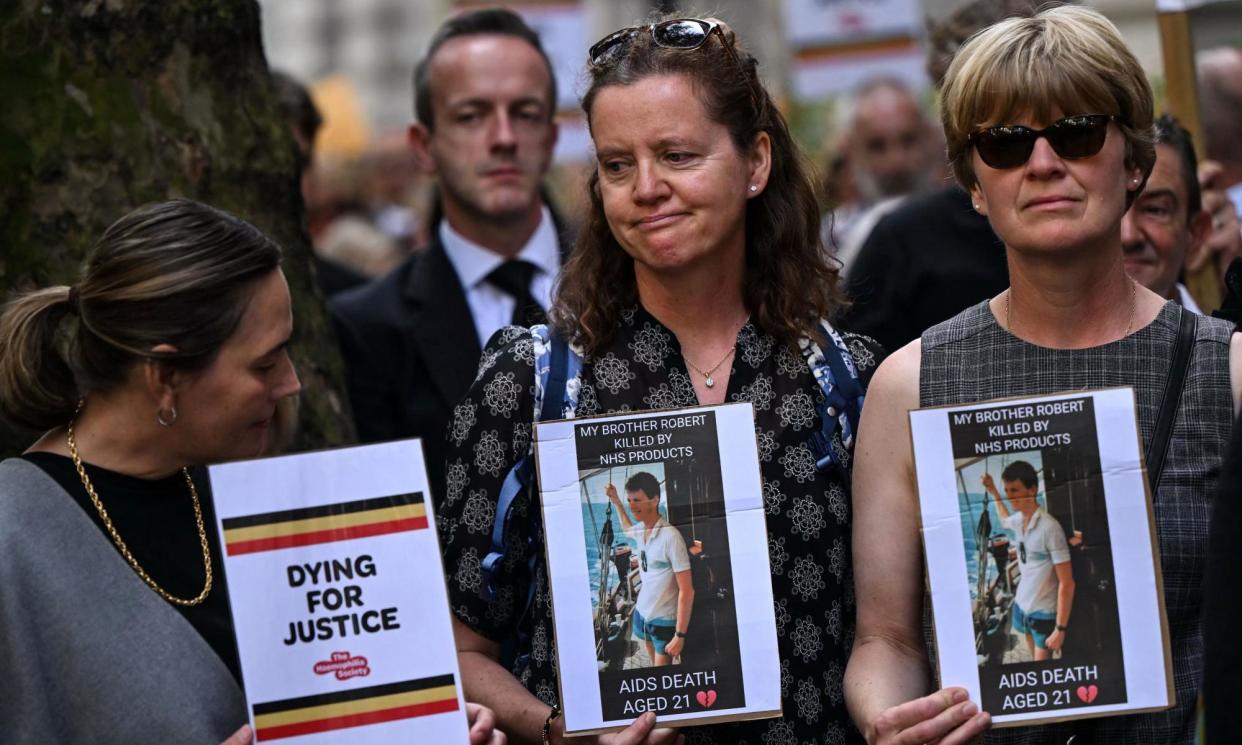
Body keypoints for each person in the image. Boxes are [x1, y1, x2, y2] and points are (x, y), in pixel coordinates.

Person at [439, 15, 882, 744]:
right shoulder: (535, 380)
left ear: (756, 162)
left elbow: (892, 632)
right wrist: (559, 729)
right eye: (617, 165)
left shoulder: (844, 378)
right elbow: (459, 651)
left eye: (677, 155)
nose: (647, 188)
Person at [844, 7, 1241, 745]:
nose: (1043, 162)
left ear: (1133, 161)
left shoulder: (1230, 368)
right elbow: (886, 640)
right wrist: (890, 719)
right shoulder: (910, 384)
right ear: (972, 182)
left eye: (1077, 132)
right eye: (1004, 142)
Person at [0, 199, 504, 745]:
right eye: (264, 364)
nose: (291, 383)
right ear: (165, 376)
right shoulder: (16, 537)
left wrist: (426, 721)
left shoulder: (245, 498)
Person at [330, 7, 570, 500]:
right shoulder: (368, 327)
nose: (503, 138)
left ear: (549, 138)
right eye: (471, 115)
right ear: (423, 146)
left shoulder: (639, 287)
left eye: (524, 113)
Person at [839, 0, 1062, 353]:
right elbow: (862, 378)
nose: (1042, 162)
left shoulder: (1116, 220)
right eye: (1003, 134)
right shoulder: (899, 241)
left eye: (1071, 129)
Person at [1121, 114, 1242, 312]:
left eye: (1155, 209)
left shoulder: (1230, 340)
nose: (1128, 236)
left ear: (1196, 234)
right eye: (1113, 207)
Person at [822, 78, 938, 274]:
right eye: (877, 146)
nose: (896, 161)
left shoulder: (962, 219)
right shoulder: (832, 238)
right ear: (851, 150)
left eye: (908, 140)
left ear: (929, 138)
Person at [981, 463, 1074, 662]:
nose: (1010, 496)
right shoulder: (1019, 520)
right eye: (1007, 490)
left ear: (1032, 490)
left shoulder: (1050, 528)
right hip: (1021, 605)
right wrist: (993, 491)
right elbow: (1005, 519)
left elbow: (1067, 582)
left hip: (1043, 612)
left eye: (1015, 490)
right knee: (1033, 660)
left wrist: (1060, 628)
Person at [605, 473, 693, 667]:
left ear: (655, 500)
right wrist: (617, 502)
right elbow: (627, 529)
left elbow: (687, 590)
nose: (632, 505)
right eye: (630, 500)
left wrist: (680, 635)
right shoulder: (641, 530)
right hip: (641, 613)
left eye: (637, 500)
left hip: (664, 620)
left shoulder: (671, 537)